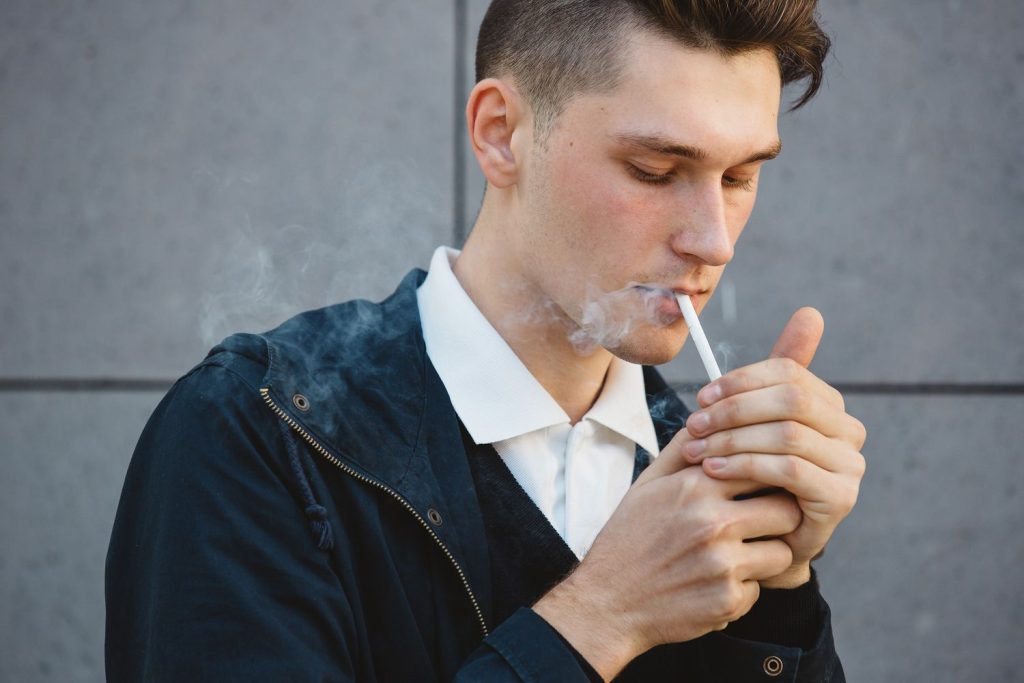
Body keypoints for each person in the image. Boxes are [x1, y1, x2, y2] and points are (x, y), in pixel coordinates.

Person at [106, 0, 867, 681]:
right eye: (656, 169)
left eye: (739, 178)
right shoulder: (259, 433)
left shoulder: (706, 468)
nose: (713, 240)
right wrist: (599, 617)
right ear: (501, 134)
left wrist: (782, 588)